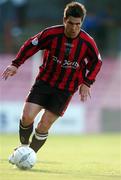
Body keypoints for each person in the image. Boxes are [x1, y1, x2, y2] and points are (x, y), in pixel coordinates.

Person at [2, 1, 102, 163]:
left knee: (44, 125)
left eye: (78, 24)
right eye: (70, 23)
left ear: (81, 23)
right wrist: (15, 64)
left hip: (65, 90)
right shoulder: (51, 34)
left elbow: (96, 63)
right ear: (64, 20)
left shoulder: (87, 42)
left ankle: (28, 156)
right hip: (44, 83)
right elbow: (30, 45)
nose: (74, 27)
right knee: (27, 117)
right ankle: (23, 147)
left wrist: (87, 82)